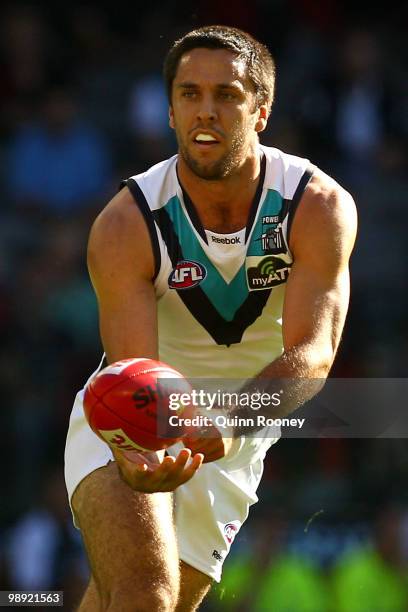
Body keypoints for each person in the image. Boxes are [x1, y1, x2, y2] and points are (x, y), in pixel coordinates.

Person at [64, 25, 357, 611]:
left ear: (262, 111)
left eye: (227, 95)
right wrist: (138, 451)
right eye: (190, 94)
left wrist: (231, 418)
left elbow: (314, 355)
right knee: (147, 595)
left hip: (239, 438)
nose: (207, 111)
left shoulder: (316, 205)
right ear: (170, 112)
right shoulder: (126, 223)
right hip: (132, 422)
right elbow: (133, 372)